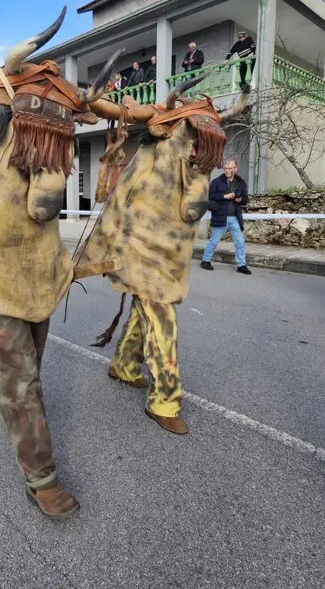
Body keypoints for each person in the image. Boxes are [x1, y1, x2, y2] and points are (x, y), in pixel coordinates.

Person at [0, 8, 119, 518]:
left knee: (30, 369)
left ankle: (23, 405)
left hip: (36, 274)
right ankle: (41, 478)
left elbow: (42, 211)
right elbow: (27, 207)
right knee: (19, 379)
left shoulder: (42, 155)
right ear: (16, 114)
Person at [80, 76, 234, 435]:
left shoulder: (190, 170)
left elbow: (192, 210)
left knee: (142, 310)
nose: (197, 152)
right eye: (192, 142)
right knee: (162, 320)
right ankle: (164, 400)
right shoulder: (149, 160)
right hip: (140, 253)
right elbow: (119, 208)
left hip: (167, 257)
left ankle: (123, 366)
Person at [200, 158, 251, 275]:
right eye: (225, 168)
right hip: (220, 216)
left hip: (235, 218)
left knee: (240, 242)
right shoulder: (216, 182)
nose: (227, 171)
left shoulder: (241, 182)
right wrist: (224, 196)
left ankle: (241, 265)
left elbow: (245, 200)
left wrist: (240, 199)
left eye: (230, 168)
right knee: (214, 241)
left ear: (235, 169)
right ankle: (205, 260)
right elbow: (210, 197)